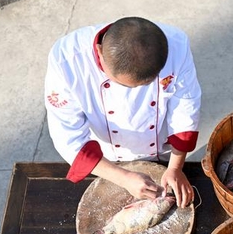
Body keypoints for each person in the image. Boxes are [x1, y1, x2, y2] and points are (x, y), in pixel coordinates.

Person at [44, 17, 201, 208]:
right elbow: (68, 138)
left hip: (162, 146)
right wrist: (123, 178)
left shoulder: (177, 45)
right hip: (108, 157)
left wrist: (175, 167)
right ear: (100, 52)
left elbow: (185, 109)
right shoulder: (66, 61)